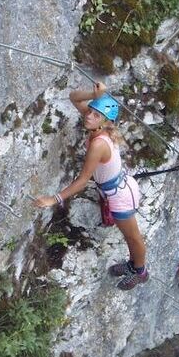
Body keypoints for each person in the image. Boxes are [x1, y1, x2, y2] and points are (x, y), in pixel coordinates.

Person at [33, 83, 148, 290]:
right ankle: (134, 264)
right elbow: (74, 97)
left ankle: (140, 271)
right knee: (130, 235)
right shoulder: (99, 124)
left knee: (132, 236)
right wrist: (94, 95)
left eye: (95, 115)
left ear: (104, 121)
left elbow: (82, 180)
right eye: (91, 111)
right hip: (117, 188)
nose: (89, 116)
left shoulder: (98, 144)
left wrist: (54, 199)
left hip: (119, 195)